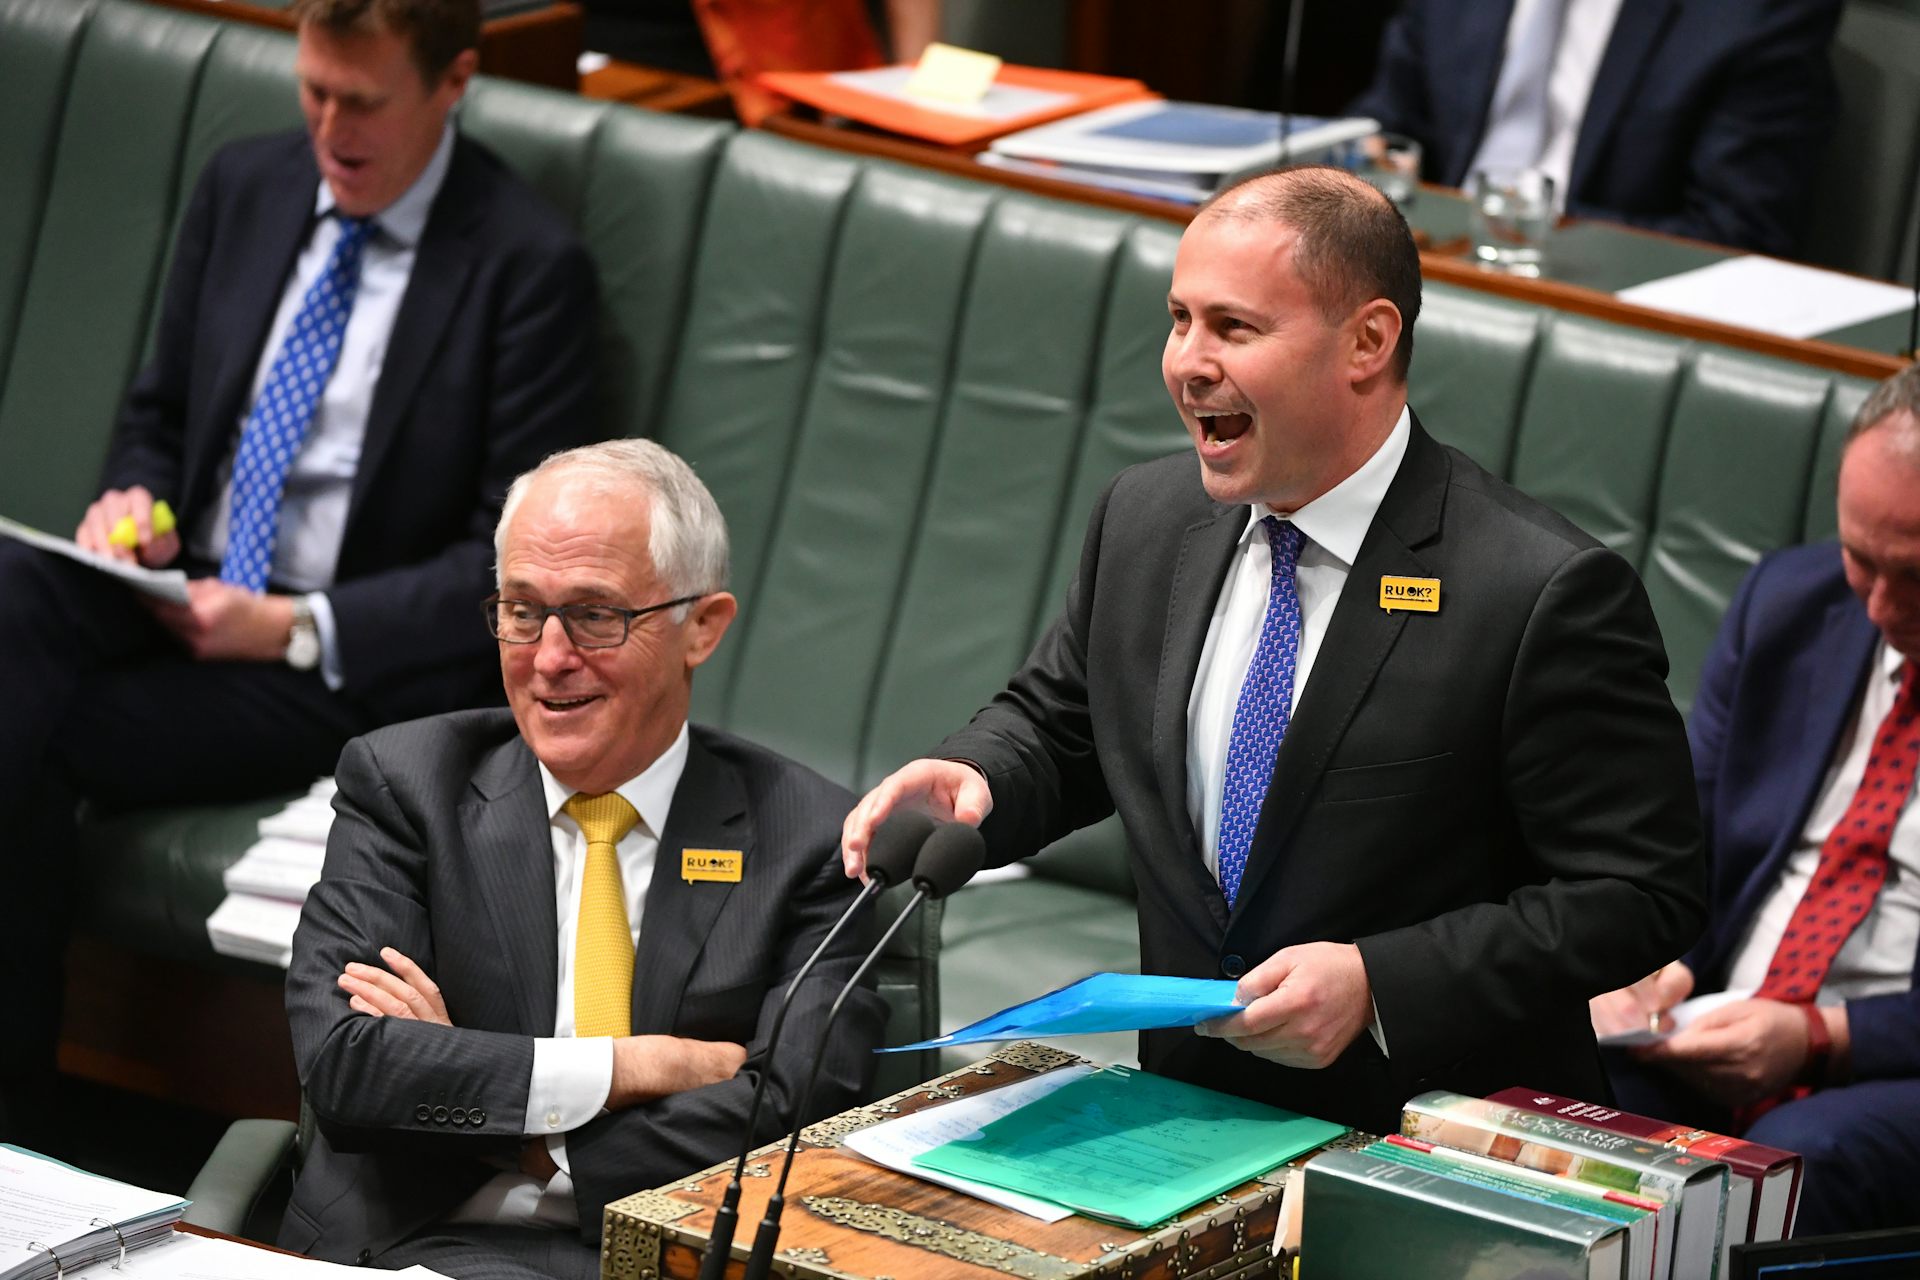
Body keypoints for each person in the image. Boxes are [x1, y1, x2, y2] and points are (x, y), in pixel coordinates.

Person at [841, 166, 1705, 1138]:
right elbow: (1064, 724)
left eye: (1234, 328)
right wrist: (977, 776)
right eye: (1179, 319)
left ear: (1368, 341)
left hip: (1419, 1142)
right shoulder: (1145, 518)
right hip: (1180, 1117)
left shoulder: (1538, 590)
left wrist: (1381, 982)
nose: (1187, 363)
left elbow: (1640, 892)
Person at [0, 0, 598, 1126]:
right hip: (179, 588)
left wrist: (293, 624)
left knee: (29, 743)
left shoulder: (527, 265)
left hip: (332, 662)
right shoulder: (248, 184)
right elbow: (159, 411)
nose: (330, 126)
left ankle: (16, 1121)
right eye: (314, 91)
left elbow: (508, 561)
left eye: (361, 101)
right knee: (11, 583)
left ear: (454, 82)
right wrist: (135, 507)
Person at [282, 440, 884, 1279]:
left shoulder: (812, 836)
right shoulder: (407, 784)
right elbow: (352, 1067)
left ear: (701, 628)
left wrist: (520, 1131)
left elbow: (796, 1113)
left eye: (596, 615)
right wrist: (638, 1066)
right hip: (415, 1243)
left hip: (674, 1259)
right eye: (522, 611)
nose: (550, 657)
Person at [1590, 366, 1920, 1235]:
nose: (1882, 606)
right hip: (1718, 1018)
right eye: (1861, 560)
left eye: (1916, 575)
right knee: (1564, 1075)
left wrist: (1819, 1038)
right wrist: (1661, 966)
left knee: (1790, 1165)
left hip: (1890, 1067)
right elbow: (1686, 842)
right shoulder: (1788, 606)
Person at [1347, 0, 1843, 257]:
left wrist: (1526, 231)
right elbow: (1387, 126)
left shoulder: (1757, 13)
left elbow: (1736, 235)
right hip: (1420, 266)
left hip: (1601, 309)